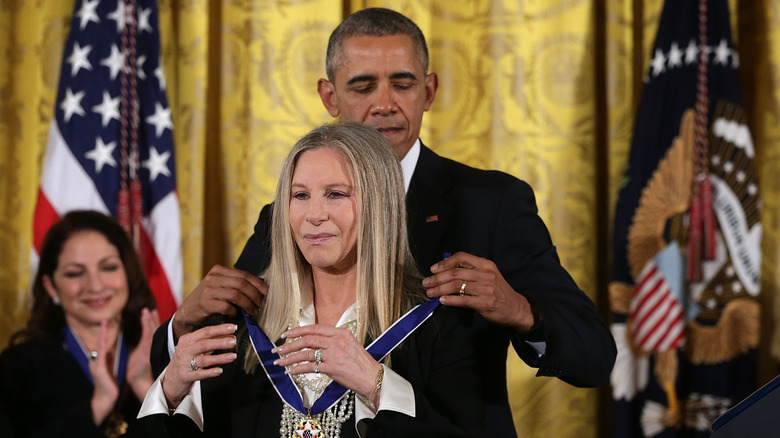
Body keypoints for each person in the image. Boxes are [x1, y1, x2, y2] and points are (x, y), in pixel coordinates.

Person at [161, 7, 617, 436]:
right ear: (329, 95)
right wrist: (183, 324)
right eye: (362, 87)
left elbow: (594, 357)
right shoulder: (290, 215)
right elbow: (234, 355)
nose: (384, 104)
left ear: (429, 90)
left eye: (402, 84)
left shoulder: (491, 203)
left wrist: (521, 311)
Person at [136, 122, 483, 437]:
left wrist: (377, 385)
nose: (314, 215)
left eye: (336, 194)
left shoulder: (440, 326)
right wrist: (167, 392)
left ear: (380, 205)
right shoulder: (241, 327)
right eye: (300, 195)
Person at [0, 210, 160, 438]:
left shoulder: (168, 354)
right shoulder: (17, 367)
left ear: (128, 273)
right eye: (75, 273)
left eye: (108, 267)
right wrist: (97, 406)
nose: (94, 286)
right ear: (51, 286)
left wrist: (147, 388)